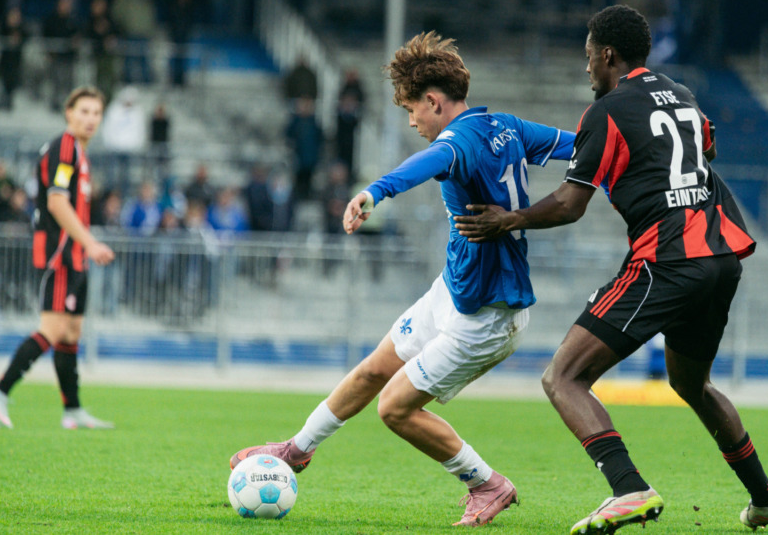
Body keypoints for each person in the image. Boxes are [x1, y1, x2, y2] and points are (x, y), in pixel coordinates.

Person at [454, 5, 768, 533]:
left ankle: (628, 488)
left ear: (608, 55)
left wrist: (511, 219)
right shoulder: (680, 92)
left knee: (562, 376)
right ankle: (766, 499)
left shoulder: (607, 110)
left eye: (589, 56)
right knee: (693, 384)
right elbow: (705, 148)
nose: (587, 67)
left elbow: (570, 204)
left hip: (667, 259)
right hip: (720, 257)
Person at [229, 31, 574, 526]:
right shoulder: (507, 125)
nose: (411, 120)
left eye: (412, 109)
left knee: (394, 409)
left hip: (488, 314)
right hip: (453, 291)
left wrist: (374, 192)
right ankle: (296, 450)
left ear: (434, 101)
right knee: (373, 369)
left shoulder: (457, 141)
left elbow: (427, 163)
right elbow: (576, 147)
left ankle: (487, 483)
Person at [0, 86, 116, 430]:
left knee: (71, 331)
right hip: (60, 254)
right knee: (52, 329)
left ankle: (72, 410)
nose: (89, 119)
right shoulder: (64, 148)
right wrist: (91, 243)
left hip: (75, 255)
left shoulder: (79, 154)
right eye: (83, 111)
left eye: (96, 113)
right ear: (68, 113)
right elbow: (56, 202)